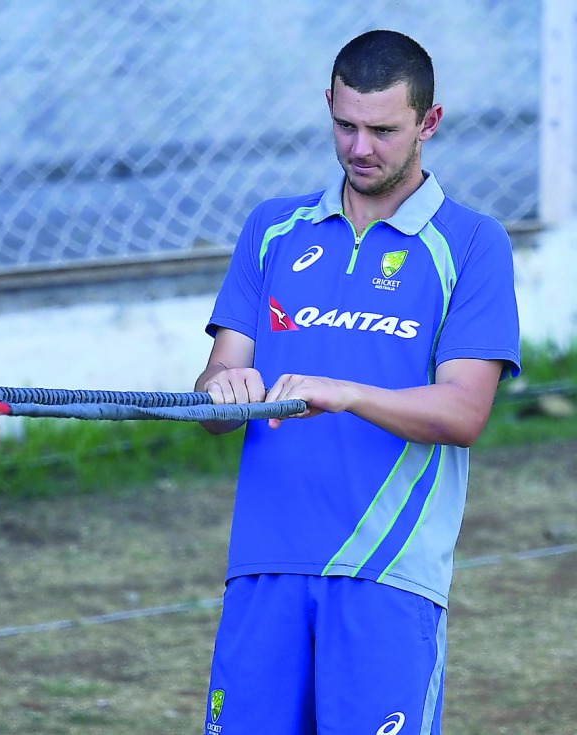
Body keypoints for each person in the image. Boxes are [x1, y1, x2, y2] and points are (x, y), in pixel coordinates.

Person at [193, 30, 520, 734]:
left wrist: (347, 393)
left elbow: (464, 410)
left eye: (382, 129)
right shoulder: (273, 228)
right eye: (344, 125)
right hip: (263, 565)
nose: (358, 147)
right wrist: (224, 387)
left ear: (428, 123)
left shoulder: (471, 242)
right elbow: (217, 388)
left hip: (389, 574)